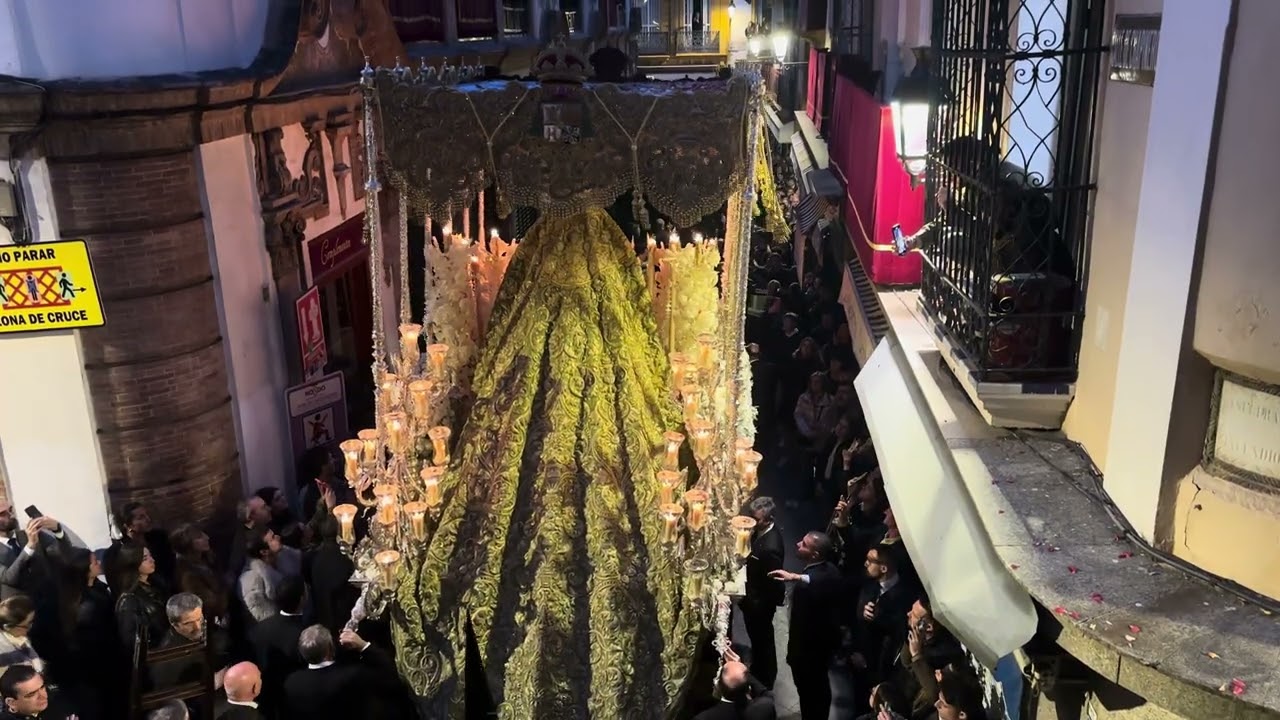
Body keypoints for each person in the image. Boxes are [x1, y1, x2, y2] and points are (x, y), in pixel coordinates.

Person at [769, 531, 843, 720]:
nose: (797, 543)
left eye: (804, 544)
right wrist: (796, 577)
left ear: (815, 555)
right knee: (815, 692)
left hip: (809, 653)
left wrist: (793, 655)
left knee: (811, 694)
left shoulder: (821, 581)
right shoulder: (826, 571)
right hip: (816, 652)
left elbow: (817, 583)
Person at [282, 625, 399, 719]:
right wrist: (363, 646)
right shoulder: (352, 677)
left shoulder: (291, 683)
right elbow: (388, 671)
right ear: (330, 648)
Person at [739, 497, 784, 689]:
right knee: (758, 638)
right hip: (755, 597)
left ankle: (764, 677)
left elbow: (773, 583)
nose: (751, 522)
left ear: (767, 519)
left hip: (760, 604)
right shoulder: (761, 532)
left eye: (755, 519)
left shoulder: (771, 547)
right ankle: (759, 668)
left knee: (762, 638)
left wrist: (755, 603)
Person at [0, 665, 76, 720]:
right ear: (11, 703)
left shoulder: (58, 699)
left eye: (42, 687)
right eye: (32, 694)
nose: (43, 696)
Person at [0, 597, 42, 676]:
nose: (31, 627)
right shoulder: (3, 652)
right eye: (27, 624)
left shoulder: (19, 638)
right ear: (8, 627)